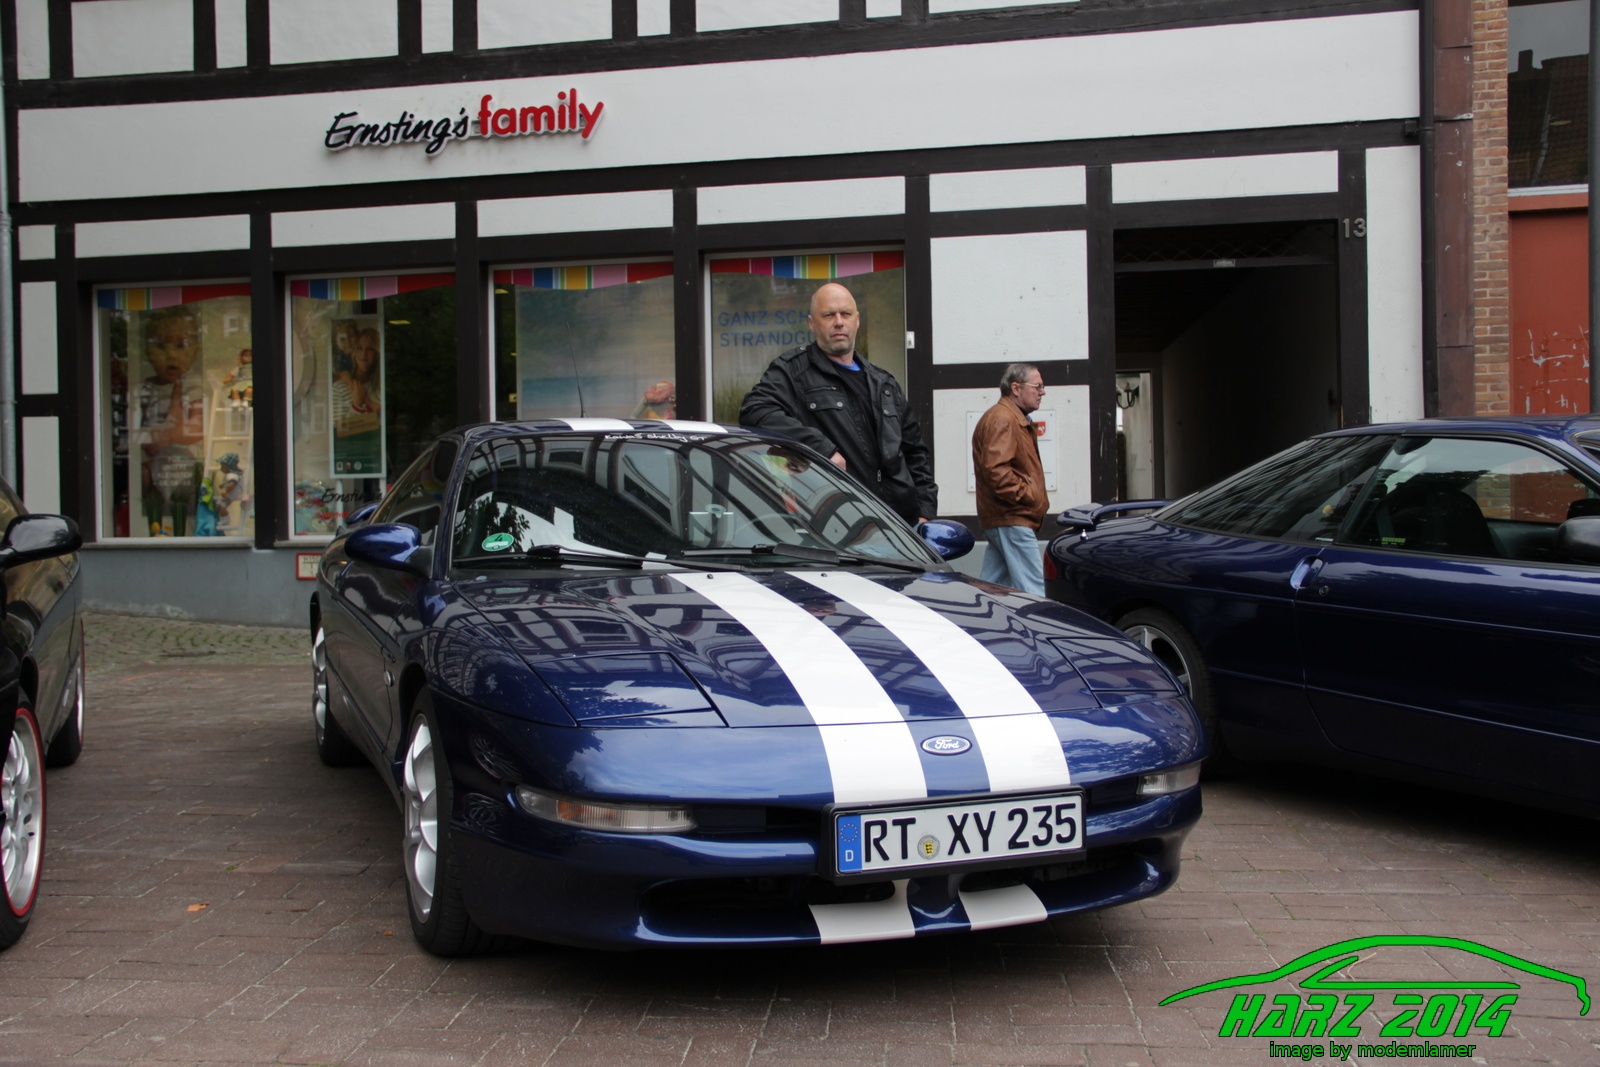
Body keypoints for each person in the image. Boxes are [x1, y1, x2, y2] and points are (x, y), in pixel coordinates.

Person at [739, 282, 936, 525]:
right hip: (840, 525)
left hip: (900, 526)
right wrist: (822, 449)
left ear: (857, 320)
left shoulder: (883, 382)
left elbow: (915, 453)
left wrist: (925, 512)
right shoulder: (792, 372)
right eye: (829, 315)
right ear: (812, 323)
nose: (839, 322)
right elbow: (755, 411)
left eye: (846, 314)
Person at [971, 362, 1049, 595]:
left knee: (992, 591)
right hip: (1013, 518)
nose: (1042, 392)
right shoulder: (1004, 418)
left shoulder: (1007, 416)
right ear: (1016, 388)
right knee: (1033, 595)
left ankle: (977, 618)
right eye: (1037, 387)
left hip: (1005, 518)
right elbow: (996, 471)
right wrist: (1029, 495)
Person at [136, 307, 206, 536]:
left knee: (188, 488)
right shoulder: (146, 388)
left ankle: (184, 525)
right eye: (160, 346)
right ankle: (149, 522)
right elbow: (136, 428)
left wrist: (166, 437)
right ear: (148, 352)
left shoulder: (194, 386)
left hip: (184, 457)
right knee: (142, 476)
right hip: (154, 459)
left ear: (195, 351)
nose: (171, 355)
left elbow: (198, 427)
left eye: (180, 345)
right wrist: (147, 439)